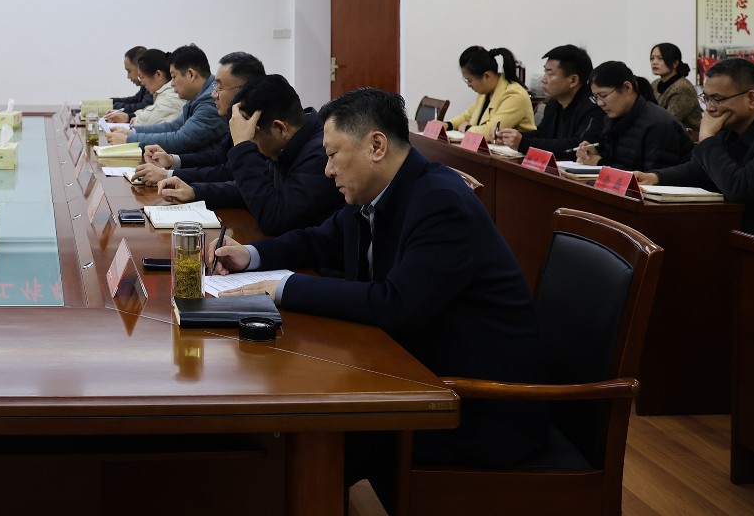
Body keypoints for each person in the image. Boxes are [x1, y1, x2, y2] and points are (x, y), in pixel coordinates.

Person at [211, 88, 546, 499]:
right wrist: (250, 255)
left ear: (376, 146)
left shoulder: (440, 202)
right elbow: (319, 240)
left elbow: (396, 304)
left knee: (304, 438)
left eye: (333, 155)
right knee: (288, 424)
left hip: (473, 406)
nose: (327, 170)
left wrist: (282, 287)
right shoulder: (378, 192)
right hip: (417, 374)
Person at [164, 74, 337, 236]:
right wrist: (195, 192)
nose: (253, 146)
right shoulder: (287, 143)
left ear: (280, 128)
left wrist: (242, 147)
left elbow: (275, 219)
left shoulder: (321, 155)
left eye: (252, 138)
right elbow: (253, 190)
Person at [640, 58, 754, 233]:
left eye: (717, 99)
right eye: (707, 98)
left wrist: (707, 138)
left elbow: (740, 188)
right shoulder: (731, 122)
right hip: (735, 227)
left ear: (751, 98)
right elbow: (701, 170)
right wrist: (655, 177)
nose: (710, 108)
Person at [138, 52, 265, 191]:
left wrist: (169, 175)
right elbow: (217, 157)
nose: (214, 94)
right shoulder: (236, 117)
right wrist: (171, 160)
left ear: (244, 91)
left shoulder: (259, 128)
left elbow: (228, 173)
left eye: (220, 87)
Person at [105, 43, 227, 154]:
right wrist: (133, 132)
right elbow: (173, 126)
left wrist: (130, 140)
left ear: (191, 74)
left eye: (174, 77)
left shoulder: (210, 100)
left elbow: (180, 140)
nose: (172, 83)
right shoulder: (198, 94)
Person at [574, 61, 691, 171]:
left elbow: (653, 178)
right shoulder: (611, 120)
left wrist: (600, 163)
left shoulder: (658, 125)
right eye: (596, 97)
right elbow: (618, 162)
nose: (600, 103)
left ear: (627, 88)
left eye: (603, 95)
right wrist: (595, 153)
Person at [495, 44, 606, 157]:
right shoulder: (554, 103)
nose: (543, 79)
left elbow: (578, 146)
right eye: (545, 72)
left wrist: (523, 143)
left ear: (573, 80)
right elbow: (543, 134)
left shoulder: (594, 107)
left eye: (550, 73)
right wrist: (510, 137)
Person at [446, 45, 535, 141]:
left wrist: (467, 129)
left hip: (509, 150)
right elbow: (468, 116)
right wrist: (448, 125)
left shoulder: (515, 95)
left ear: (487, 76)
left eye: (470, 80)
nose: (468, 85)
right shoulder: (485, 92)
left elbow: (491, 132)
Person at [650, 42, 702, 139]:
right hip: (662, 135)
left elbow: (670, 120)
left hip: (687, 139)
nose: (654, 62)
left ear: (675, 63)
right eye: (652, 58)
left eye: (660, 58)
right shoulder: (655, 83)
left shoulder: (682, 87)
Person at [125, 48, 182, 126]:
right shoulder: (164, 94)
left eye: (142, 77)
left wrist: (135, 118)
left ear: (158, 75)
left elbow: (141, 122)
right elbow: (152, 110)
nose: (142, 83)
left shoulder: (171, 98)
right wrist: (129, 116)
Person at [106, 45, 152, 120]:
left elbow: (143, 107)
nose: (128, 76)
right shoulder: (145, 87)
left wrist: (115, 106)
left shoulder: (152, 86)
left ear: (140, 68)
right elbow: (134, 100)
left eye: (129, 71)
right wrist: (111, 102)